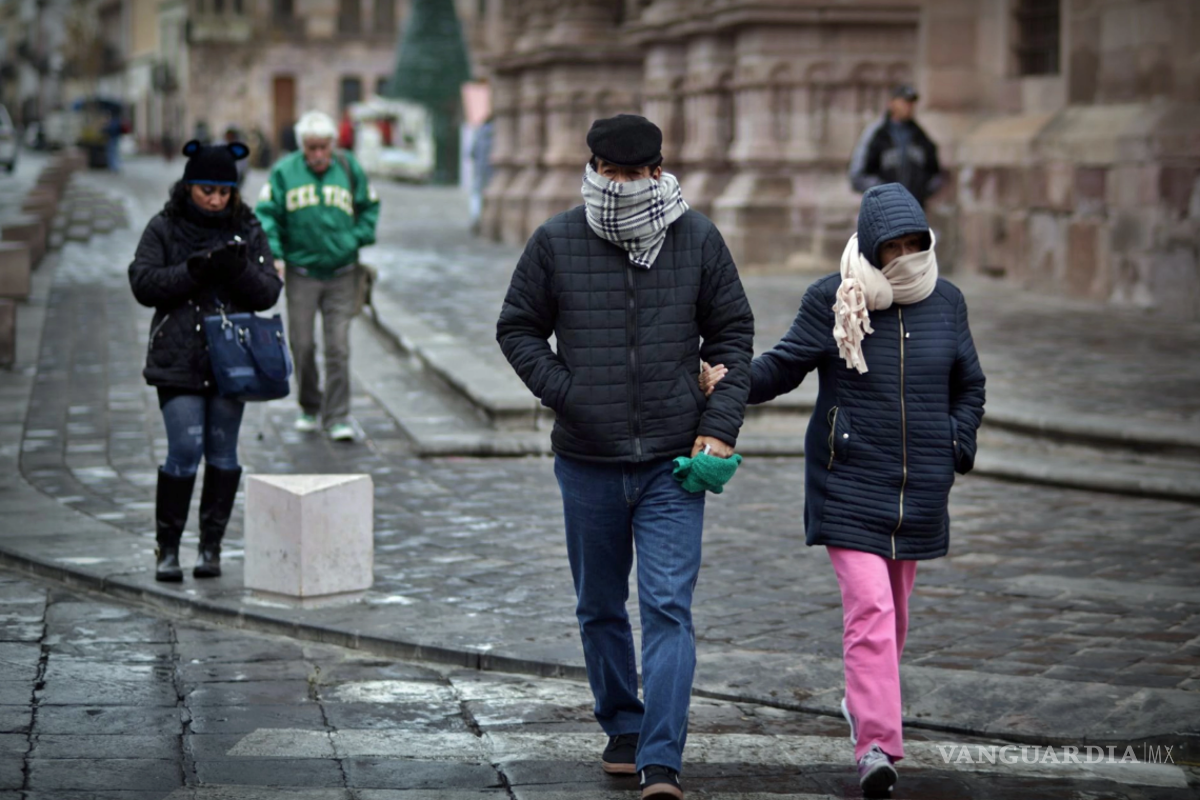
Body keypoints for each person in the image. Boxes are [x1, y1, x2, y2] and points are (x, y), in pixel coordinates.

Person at [496, 114, 754, 800]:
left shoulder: (697, 237)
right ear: (594, 170)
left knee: (668, 606)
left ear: (657, 171)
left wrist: (719, 424)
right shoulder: (555, 240)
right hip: (587, 458)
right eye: (610, 174)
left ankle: (662, 760)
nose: (624, 187)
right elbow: (517, 326)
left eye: (636, 175)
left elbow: (733, 335)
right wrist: (568, 393)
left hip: (674, 462)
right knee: (599, 605)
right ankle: (623, 725)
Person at [700, 183, 985, 797]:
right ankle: (876, 745)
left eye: (917, 243)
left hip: (920, 489)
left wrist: (956, 442)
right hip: (848, 481)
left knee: (894, 617)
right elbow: (783, 366)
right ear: (873, 247)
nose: (907, 256)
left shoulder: (948, 302)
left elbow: (970, 384)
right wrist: (728, 383)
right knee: (871, 611)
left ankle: (863, 701)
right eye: (895, 246)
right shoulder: (835, 298)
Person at [128, 140, 283, 582]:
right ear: (189, 187)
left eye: (224, 191)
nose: (216, 200)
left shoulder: (247, 227)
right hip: (178, 355)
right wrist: (193, 270)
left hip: (232, 358)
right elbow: (143, 282)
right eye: (206, 190)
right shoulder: (165, 227)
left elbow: (269, 290)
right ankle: (168, 548)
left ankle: (210, 547)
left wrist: (236, 270)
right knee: (184, 448)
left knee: (223, 452)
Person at [255, 110, 380, 442]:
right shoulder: (284, 172)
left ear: (332, 145)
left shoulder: (349, 168)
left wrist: (354, 239)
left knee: (338, 346)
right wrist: (276, 254)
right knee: (303, 344)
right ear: (302, 147)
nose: (319, 155)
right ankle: (310, 404)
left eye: (324, 147)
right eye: (311, 148)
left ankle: (337, 415)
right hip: (302, 273)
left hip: (343, 273)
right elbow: (267, 215)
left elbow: (369, 207)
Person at [848, 84, 944, 208]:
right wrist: (884, 193)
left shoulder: (921, 137)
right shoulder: (876, 134)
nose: (908, 107)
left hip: (914, 210)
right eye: (904, 102)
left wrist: (921, 192)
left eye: (911, 103)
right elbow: (857, 175)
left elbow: (935, 173)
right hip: (884, 211)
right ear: (892, 103)